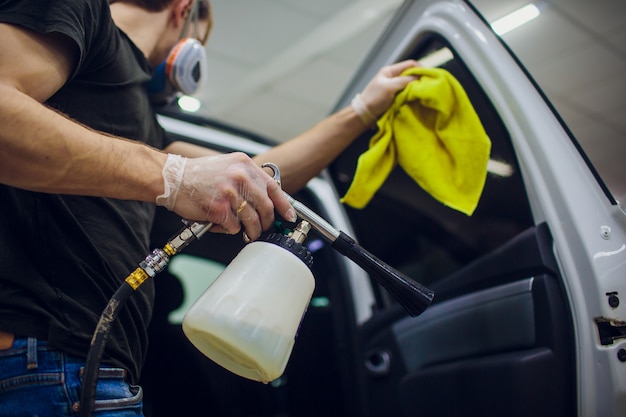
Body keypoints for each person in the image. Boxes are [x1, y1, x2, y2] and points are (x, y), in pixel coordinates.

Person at [0, 0, 418, 415]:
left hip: (83, 371)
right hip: (43, 363)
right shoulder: (78, 10)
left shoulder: (141, 115)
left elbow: (257, 182)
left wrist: (361, 110)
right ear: (183, 11)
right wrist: (173, 176)